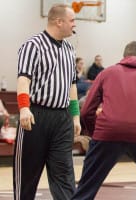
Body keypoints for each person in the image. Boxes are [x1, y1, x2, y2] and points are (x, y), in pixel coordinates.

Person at [72, 41, 136, 200]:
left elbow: (86, 110)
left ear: (124, 57)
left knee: (86, 188)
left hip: (107, 133)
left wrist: (95, 135)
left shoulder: (106, 73)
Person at [13, 4, 81, 200]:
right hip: (36, 116)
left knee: (65, 177)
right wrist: (24, 108)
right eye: (72, 20)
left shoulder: (69, 49)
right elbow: (23, 79)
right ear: (59, 22)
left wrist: (75, 116)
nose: (74, 25)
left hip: (62, 119)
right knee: (27, 177)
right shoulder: (32, 45)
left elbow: (72, 86)